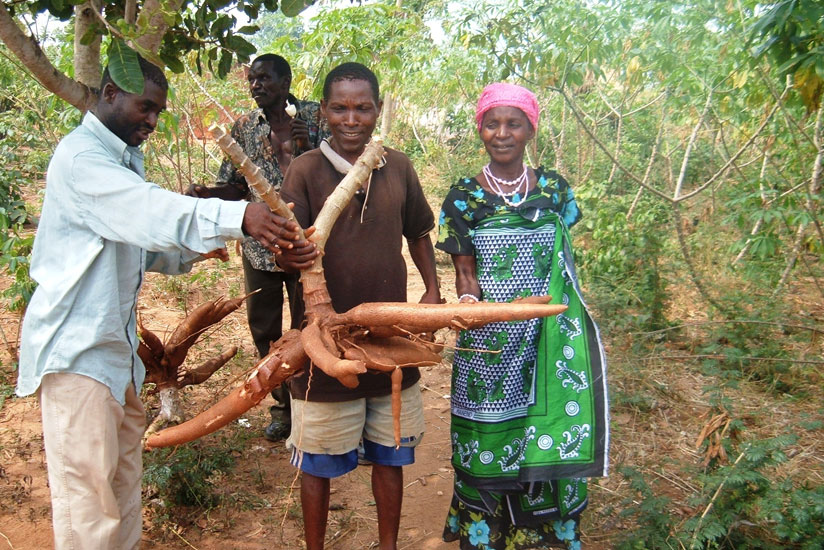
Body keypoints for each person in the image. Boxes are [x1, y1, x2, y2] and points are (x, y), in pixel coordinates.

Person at [15, 56, 303, 550]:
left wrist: (196, 248)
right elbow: (145, 210)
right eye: (145, 107)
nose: (151, 120)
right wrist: (237, 217)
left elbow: (137, 245)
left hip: (114, 359)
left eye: (157, 112)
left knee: (121, 493)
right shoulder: (83, 159)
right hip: (77, 359)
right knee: (89, 509)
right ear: (110, 93)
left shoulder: (118, 159)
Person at [435, 83, 609, 550]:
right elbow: (466, 273)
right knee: (489, 442)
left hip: (549, 336)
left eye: (514, 124)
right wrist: (471, 309)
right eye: (492, 123)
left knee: (546, 431)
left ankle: (543, 533)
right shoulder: (464, 197)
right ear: (480, 129)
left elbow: (563, 264)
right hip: (489, 343)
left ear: (531, 129)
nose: (502, 133)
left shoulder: (555, 190)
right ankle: (487, 534)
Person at [276, 62, 441, 550]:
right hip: (325, 344)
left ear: (378, 109)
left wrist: (432, 291)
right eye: (340, 108)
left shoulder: (399, 167)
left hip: (389, 338)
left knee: (391, 454)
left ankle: (387, 544)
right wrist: (290, 253)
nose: (352, 119)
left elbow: (419, 233)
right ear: (323, 112)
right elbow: (287, 250)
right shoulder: (305, 170)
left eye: (363, 108)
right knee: (317, 461)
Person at [187, 53, 329, 442]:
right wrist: (207, 193)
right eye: (252, 79)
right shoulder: (245, 127)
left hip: (306, 245)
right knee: (265, 331)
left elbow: (336, 173)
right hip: (261, 249)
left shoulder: (316, 118)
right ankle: (282, 408)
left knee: (308, 328)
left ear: (286, 82)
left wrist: (307, 146)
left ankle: (309, 406)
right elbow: (235, 186)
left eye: (264, 79)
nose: (255, 86)